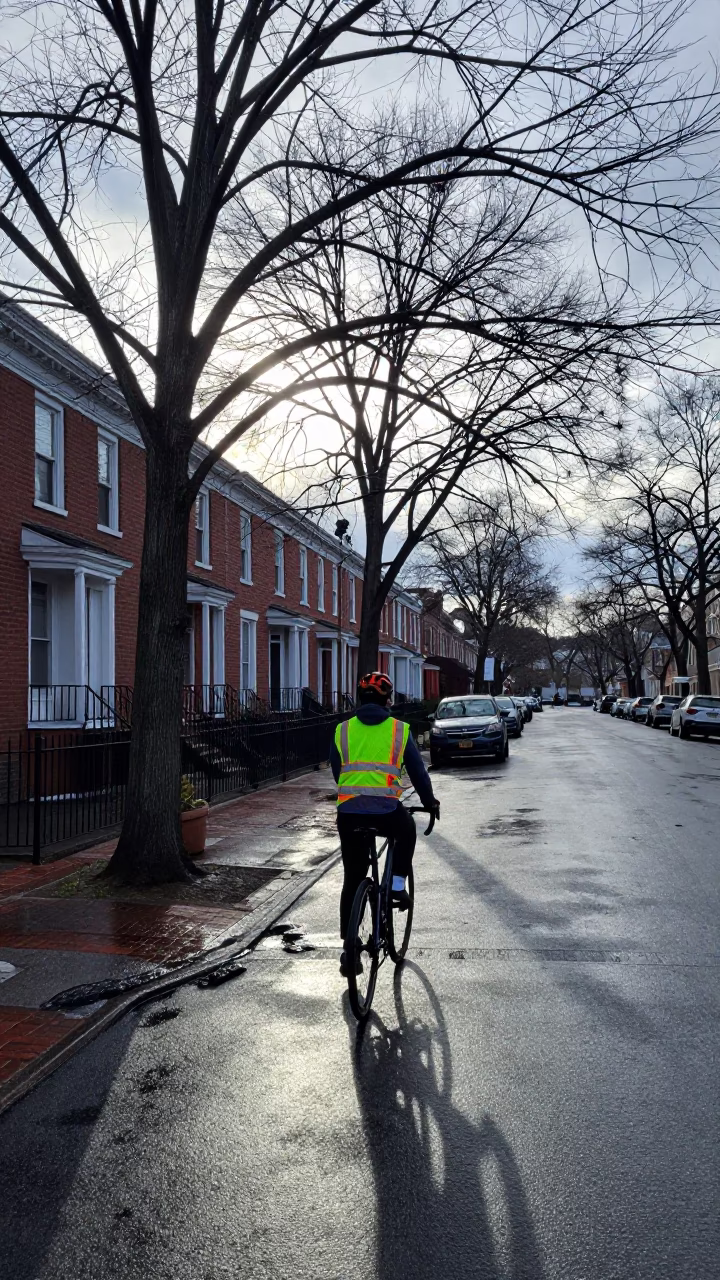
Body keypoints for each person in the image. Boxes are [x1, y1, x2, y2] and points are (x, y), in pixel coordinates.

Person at [329, 671, 439, 976]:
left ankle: (349, 950)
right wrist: (429, 801)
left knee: (353, 877)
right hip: (387, 811)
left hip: (349, 812)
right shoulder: (399, 730)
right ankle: (397, 886)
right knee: (407, 830)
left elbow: (338, 771)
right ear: (387, 700)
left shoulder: (342, 730)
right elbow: (418, 773)